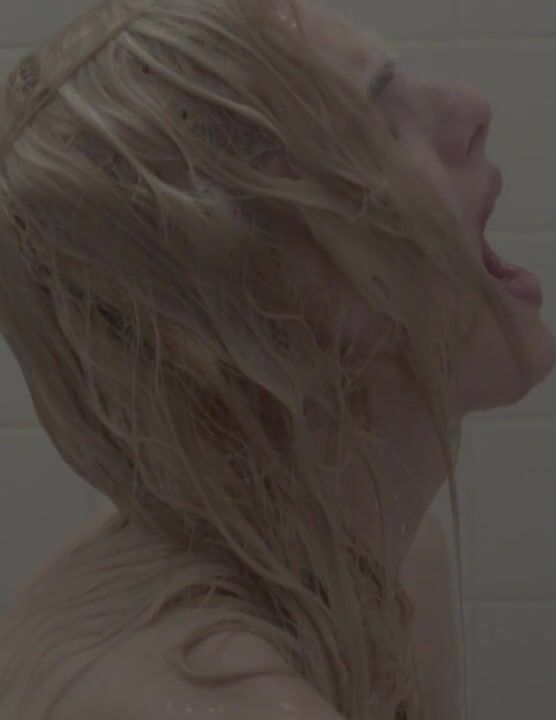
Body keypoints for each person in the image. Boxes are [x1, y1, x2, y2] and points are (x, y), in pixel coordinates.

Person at [0, 0, 554, 718]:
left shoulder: (391, 560)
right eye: (377, 123)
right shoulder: (208, 697)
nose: (472, 108)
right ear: (255, 307)